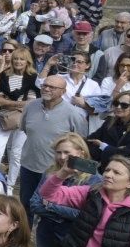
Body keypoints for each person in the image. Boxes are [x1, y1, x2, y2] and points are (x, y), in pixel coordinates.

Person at [29, 133, 103, 247]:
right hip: (46, 232)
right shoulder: (51, 172)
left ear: (80, 153)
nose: (62, 157)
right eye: (58, 152)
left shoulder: (94, 179)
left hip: (73, 235)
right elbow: (34, 204)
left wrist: (50, 206)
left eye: (67, 152)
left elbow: (86, 216)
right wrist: (66, 212)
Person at [18, 74, 89, 219]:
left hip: (56, 171)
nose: (46, 89)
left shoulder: (73, 114)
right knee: (25, 207)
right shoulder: (31, 106)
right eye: (44, 85)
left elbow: (80, 142)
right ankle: (23, 239)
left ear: (63, 91)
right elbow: (26, 129)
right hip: (29, 166)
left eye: (52, 87)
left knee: (49, 208)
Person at [0, 47, 38, 193]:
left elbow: (32, 102)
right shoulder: (5, 75)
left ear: (27, 61)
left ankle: (10, 185)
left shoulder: (32, 77)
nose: (18, 61)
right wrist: (18, 104)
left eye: (21, 59)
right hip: (4, 117)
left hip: (23, 120)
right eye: (16, 58)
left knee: (16, 153)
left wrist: (10, 103)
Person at [90, 89, 130, 166]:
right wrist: (116, 150)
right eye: (116, 103)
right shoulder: (110, 122)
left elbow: (128, 155)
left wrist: (103, 146)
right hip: (101, 166)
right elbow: (91, 140)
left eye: (124, 105)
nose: (118, 107)